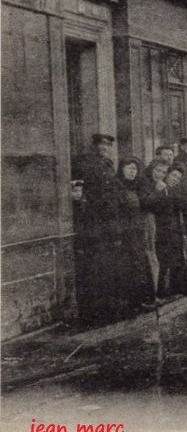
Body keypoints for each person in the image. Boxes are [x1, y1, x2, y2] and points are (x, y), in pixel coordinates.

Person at [70, 133, 119, 324]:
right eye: (101, 145)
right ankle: (93, 310)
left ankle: (106, 307)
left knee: (107, 263)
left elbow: (113, 189)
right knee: (93, 265)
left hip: (107, 221)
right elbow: (77, 188)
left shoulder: (108, 164)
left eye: (107, 145)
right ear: (94, 146)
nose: (104, 148)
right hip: (91, 220)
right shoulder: (83, 163)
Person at [114, 156, 157, 315]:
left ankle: (138, 301)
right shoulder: (116, 188)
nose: (132, 172)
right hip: (123, 234)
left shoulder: (136, 187)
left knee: (138, 265)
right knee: (127, 268)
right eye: (129, 168)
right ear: (122, 169)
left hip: (136, 232)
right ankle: (129, 304)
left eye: (135, 169)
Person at [142, 161, 187, 300]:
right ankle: (160, 291)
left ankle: (172, 289)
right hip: (161, 230)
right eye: (172, 175)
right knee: (162, 260)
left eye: (178, 178)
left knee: (174, 259)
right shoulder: (158, 188)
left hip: (173, 229)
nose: (174, 179)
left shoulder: (172, 190)